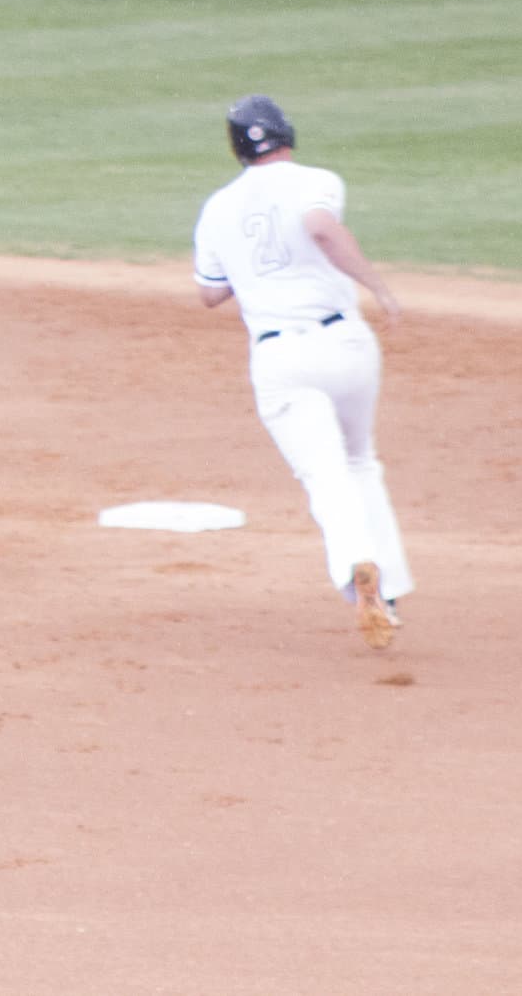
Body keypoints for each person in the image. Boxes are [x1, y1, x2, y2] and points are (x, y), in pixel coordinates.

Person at [192, 95, 413, 648]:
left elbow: (210, 293)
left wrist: (251, 273)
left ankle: (357, 566)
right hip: (346, 343)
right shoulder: (318, 179)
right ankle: (389, 588)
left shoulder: (217, 208)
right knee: (361, 460)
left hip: (281, 358)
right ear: (287, 133)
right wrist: (379, 288)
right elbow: (319, 227)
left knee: (325, 474)